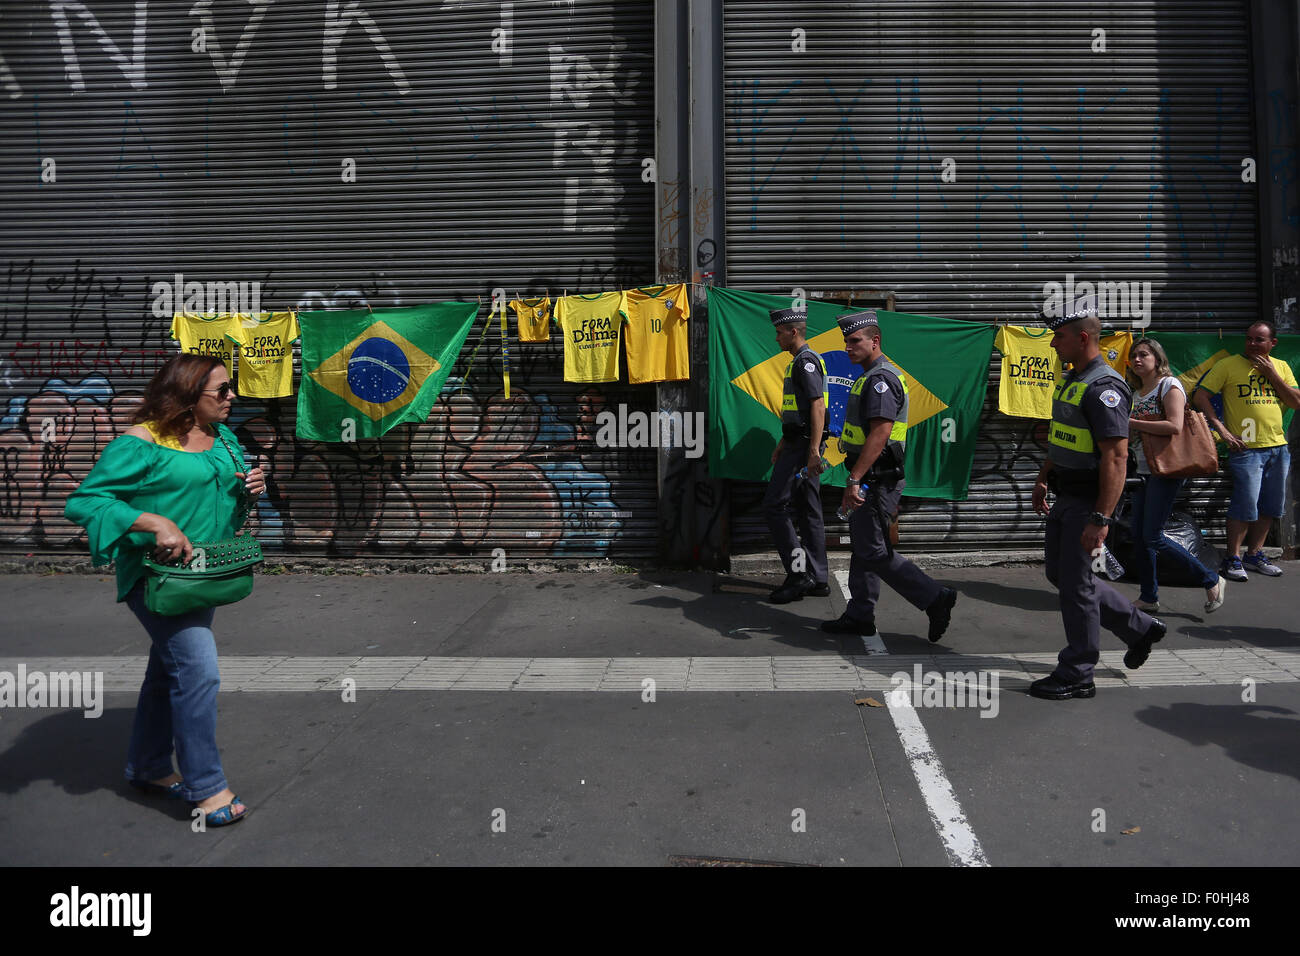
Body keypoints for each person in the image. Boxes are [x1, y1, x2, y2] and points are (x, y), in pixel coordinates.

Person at [64, 355, 266, 826]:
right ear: (186, 395)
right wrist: (152, 521)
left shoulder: (223, 439)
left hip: (202, 573)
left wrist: (249, 488)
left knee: (166, 674)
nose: (231, 397)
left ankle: (149, 766)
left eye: (230, 387)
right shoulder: (141, 443)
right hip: (157, 577)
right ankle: (207, 787)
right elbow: (85, 501)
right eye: (221, 390)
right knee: (198, 672)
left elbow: (223, 506)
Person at [1030, 310, 1166, 700]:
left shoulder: (1104, 387)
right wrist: (1043, 476)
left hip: (1089, 499)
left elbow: (1116, 458)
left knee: (1075, 586)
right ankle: (1139, 627)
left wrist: (1101, 517)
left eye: (1059, 337)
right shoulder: (1073, 379)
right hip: (1066, 493)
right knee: (1062, 574)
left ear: (1083, 339)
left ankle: (1078, 671)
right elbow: (1063, 435)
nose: (1053, 343)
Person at [821, 310, 956, 641]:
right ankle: (860, 614)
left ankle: (935, 598)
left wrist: (854, 479)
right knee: (865, 546)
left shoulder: (882, 380)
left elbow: (879, 434)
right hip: (871, 476)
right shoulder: (869, 375)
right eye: (846, 341)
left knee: (874, 551)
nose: (848, 347)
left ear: (875, 341)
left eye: (855, 341)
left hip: (876, 480)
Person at [1192, 320, 1299, 581]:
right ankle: (1233, 558)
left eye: (1259, 340)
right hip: (1246, 449)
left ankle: (1254, 554)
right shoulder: (1228, 365)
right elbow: (1199, 396)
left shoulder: (1282, 367)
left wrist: (1272, 374)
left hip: (1277, 447)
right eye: (1249, 338)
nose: (1252, 343)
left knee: (1271, 506)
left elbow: (1295, 402)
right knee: (1245, 505)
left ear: (1272, 343)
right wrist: (1222, 430)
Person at [1126, 337, 1226, 613]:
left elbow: (1174, 425)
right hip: (1144, 469)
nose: (1137, 360)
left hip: (1167, 470)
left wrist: (1129, 421)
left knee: (1153, 537)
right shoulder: (1137, 392)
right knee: (1138, 535)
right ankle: (1149, 596)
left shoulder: (1169, 385)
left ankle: (1210, 578)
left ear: (1157, 359)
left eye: (1143, 355)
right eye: (1134, 355)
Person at [763, 307, 830, 603]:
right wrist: (781, 441)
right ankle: (818, 578)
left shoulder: (806, 362)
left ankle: (798, 573)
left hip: (803, 448)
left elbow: (817, 406)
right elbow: (798, 410)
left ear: (793, 332)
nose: (776, 338)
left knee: (775, 505)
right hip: (797, 443)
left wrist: (813, 450)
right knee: (808, 508)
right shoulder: (799, 362)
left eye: (779, 332)